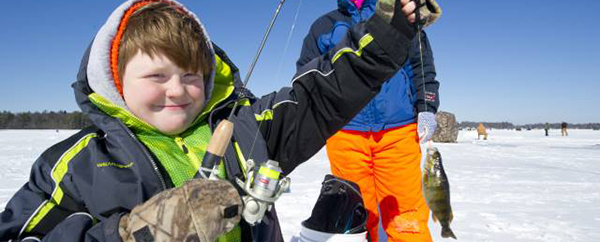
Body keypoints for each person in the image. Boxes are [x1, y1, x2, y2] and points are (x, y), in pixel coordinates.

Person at [0, 0, 424, 241]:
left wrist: (391, 29)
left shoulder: (247, 127)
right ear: (116, 82)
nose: (178, 90)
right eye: (156, 76)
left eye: (191, 75)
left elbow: (322, 93)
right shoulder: (76, 166)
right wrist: (145, 231)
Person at [296, 0, 441, 241]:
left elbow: (422, 66)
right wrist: (316, 116)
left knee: (406, 215)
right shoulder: (323, 26)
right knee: (356, 213)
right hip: (345, 132)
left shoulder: (400, 15)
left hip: (398, 130)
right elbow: (307, 75)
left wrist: (426, 105)